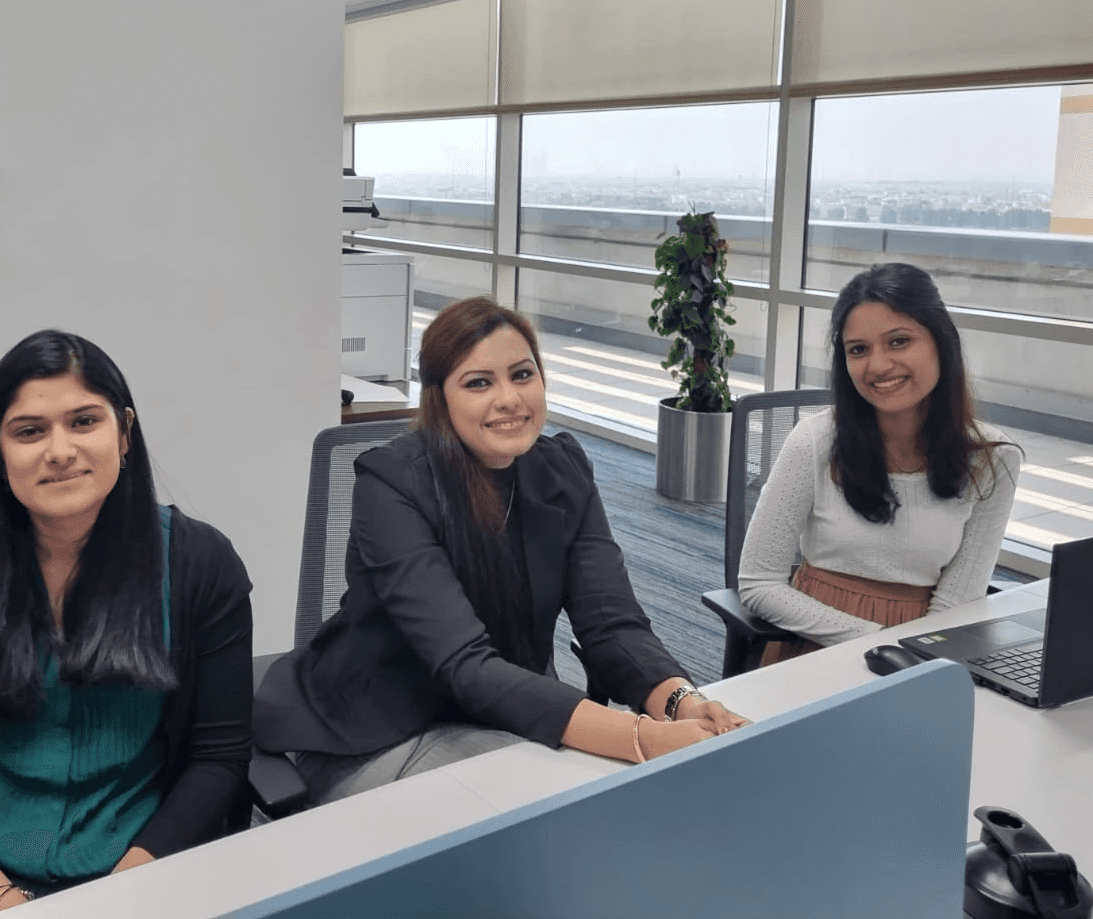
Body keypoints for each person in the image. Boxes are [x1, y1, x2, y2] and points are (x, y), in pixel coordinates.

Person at [254, 296, 750, 806]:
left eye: (522, 374)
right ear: (439, 399)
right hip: (376, 732)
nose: (510, 398)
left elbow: (612, 623)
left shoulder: (562, 472)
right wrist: (642, 738)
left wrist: (679, 702)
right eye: (478, 383)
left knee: (619, 797)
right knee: (581, 805)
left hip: (503, 712)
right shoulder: (392, 484)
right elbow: (464, 663)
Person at [0, 330, 254, 918]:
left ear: (124, 433)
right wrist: (3, 904)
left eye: (84, 421)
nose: (60, 450)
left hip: (144, 880)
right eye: (29, 431)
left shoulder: (202, 566)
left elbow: (217, 760)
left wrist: (127, 897)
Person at [738, 263, 1022, 664]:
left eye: (899, 341)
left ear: (940, 342)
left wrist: (910, 657)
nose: (877, 366)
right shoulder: (815, 442)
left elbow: (959, 603)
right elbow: (758, 582)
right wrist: (875, 642)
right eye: (858, 350)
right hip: (813, 644)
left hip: (922, 653)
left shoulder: (993, 461)